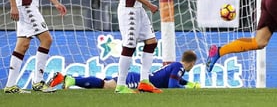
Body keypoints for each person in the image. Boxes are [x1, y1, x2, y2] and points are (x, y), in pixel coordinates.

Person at [48, 50, 200, 90]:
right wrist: (186, 87)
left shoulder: (176, 66)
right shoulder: (179, 67)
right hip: (137, 80)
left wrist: (189, 84)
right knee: (106, 86)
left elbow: (176, 80)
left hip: (137, 77)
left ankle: (70, 78)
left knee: (104, 84)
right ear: (191, 64)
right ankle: (70, 79)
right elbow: (173, 86)